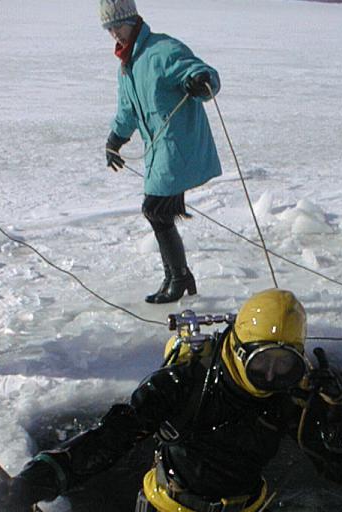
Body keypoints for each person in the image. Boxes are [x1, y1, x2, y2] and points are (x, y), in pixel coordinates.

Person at [0, 289, 342, 512]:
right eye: (261, 363)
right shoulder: (184, 383)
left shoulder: (289, 394)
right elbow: (111, 437)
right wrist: (40, 479)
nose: (270, 378)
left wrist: (336, 414)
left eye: (283, 365)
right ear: (237, 347)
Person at [100, 0, 222, 303]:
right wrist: (115, 140)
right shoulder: (126, 68)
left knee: (156, 210)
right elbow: (127, 110)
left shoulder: (162, 50)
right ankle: (177, 275)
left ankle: (178, 277)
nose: (115, 33)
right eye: (109, 28)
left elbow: (202, 72)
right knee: (157, 211)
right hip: (157, 150)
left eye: (118, 25)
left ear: (134, 20)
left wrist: (200, 81)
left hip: (178, 145)